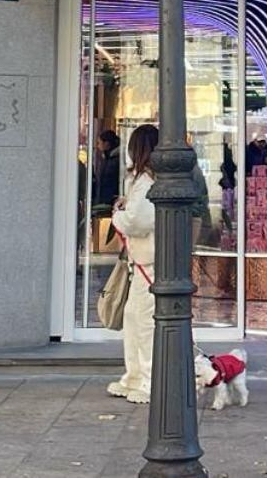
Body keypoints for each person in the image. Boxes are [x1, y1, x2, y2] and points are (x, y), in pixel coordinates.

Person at [108, 123, 158, 405]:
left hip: (148, 263)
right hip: (143, 261)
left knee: (144, 322)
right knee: (135, 318)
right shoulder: (146, 181)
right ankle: (135, 376)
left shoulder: (147, 183)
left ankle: (148, 380)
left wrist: (118, 216)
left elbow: (137, 221)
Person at [92, 130, 122, 212]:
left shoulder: (114, 160)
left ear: (106, 144)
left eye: (99, 143)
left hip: (109, 202)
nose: (98, 146)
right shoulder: (107, 158)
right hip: (106, 200)